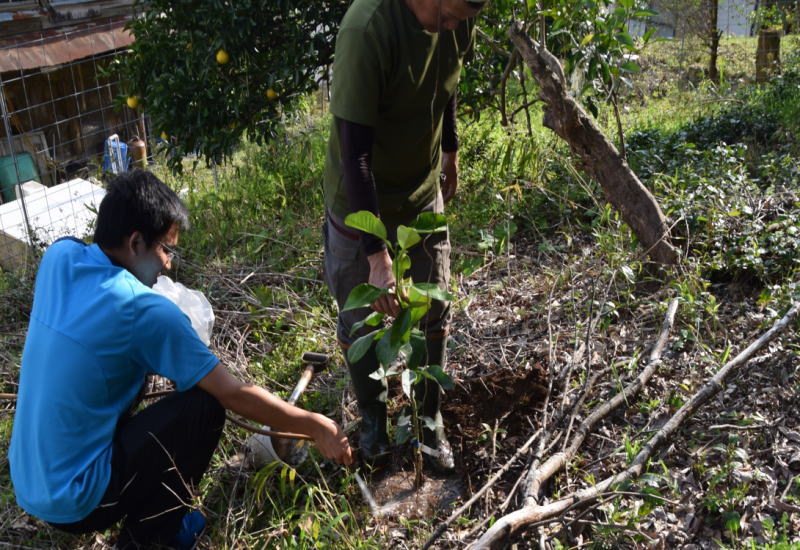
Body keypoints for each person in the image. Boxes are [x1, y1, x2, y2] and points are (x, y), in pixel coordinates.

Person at [9, 170, 353, 549]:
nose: (168, 265)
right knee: (203, 408)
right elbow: (233, 394)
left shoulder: (59, 256)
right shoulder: (142, 311)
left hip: (28, 480)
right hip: (76, 501)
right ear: (136, 241)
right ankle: (153, 538)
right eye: (166, 250)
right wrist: (314, 425)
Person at [322, 0, 485, 472]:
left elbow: (446, 85)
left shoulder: (456, 18)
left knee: (433, 307)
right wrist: (375, 252)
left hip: (420, 192)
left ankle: (428, 418)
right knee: (363, 315)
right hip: (359, 199)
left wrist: (449, 151)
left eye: (463, 21)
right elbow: (355, 154)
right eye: (449, 17)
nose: (453, 28)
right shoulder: (366, 29)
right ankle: (373, 419)